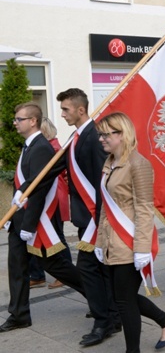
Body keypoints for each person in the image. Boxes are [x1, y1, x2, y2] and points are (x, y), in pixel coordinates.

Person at [94, 112, 165, 352]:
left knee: (123, 300)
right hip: (112, 240)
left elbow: (144, 209)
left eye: (105, 134)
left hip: (130, 240)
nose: (101, 139)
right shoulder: (110, 162)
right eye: (100, 134)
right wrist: (100, 242)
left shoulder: (138, 164)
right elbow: (105, 205)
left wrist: (142, 249)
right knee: (123, 297)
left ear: (121, 134)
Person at [1, 102, 85, 333]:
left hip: (36, 223)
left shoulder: (40, 147)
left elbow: (38, 190)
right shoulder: (30, 146)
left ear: (33, 121)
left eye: (19, 119)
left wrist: (28, 225)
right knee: (17, 268)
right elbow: (25, 186)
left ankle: (100, 296)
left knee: (58, 267)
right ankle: (19, 314)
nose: (15, 123)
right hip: (22, 220)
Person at [55, 88, 121, 346]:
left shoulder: (93, 137)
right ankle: (113, 317)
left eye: (66, 109)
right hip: (89, 218)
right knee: (102, 270)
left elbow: (100, 181)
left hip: (96, 218)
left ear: (80, 110)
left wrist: (99, 219)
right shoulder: (78, 136)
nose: (62, 114)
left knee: (87, 268)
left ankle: (102, 321)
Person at [31, 117, 72, 290]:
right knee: (40, 237)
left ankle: (66, 273)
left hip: (53, 199)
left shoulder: (51, 148)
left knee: (57, 237)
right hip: (52, 198)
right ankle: (38, 274)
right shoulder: (52, 147)